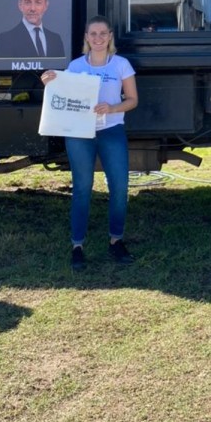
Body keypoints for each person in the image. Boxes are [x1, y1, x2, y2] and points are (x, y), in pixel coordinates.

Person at [41, 16, 138, 270]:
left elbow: (132, 100)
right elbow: (62, 94)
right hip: (80, 134)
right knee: (82, 188)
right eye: (92, 34)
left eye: (102, 33)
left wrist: (112, 107)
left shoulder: (121, 65)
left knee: (119, 187)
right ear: (86, 37)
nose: (97, 38)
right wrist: (50, 81)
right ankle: (77, 246)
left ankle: (116, 241)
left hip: (112, 130)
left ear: (110, 36)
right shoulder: (74, 66)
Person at [0, 0, 65, 58]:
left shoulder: (55, 39)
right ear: (20, 5)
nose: (33, 8)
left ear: (46, 6)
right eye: (27, 2)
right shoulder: (6, 39)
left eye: (38, 2)